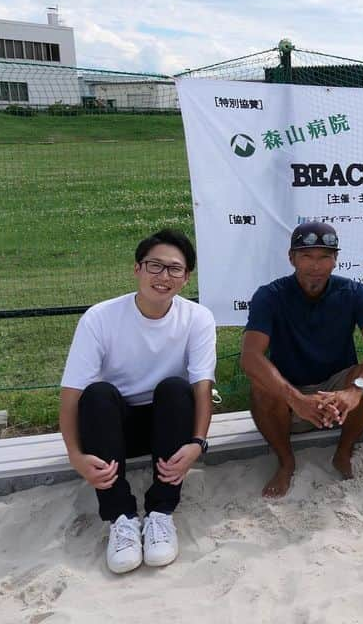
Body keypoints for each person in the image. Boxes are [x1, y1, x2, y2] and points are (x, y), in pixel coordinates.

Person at [59, 229, 216, 574]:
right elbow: (71, 394)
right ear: (137, 269)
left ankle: (161, 513)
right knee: (98, 394)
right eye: (154, 266)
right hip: (115, 430)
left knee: (177, 389)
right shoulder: (100, 318)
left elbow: (202, 386)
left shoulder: (198, 318)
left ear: (186, 277)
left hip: (168, 426)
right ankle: (122, 518)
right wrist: (75, 455)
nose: (163, 277)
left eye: (174, 269)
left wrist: (197, 443)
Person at [242, 222, 363, 498]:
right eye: (307, 256)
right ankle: (286, 462)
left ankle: (344, 451)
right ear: (291, 258)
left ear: (336, 259)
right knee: (261, 387)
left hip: (337, 396)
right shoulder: (270, 296)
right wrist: (294, 398)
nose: (316, 265)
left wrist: (355, 389)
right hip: (290, 393)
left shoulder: (354, 293)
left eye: (324, 256)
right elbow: (250, 357)